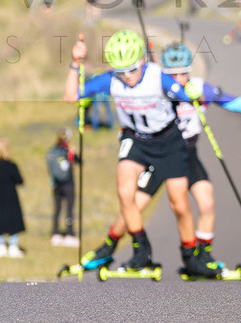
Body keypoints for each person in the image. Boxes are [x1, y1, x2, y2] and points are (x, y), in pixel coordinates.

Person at [80, 42, 241, 271]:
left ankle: (202, 255)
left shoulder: (197, 88)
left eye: (184, 72)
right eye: (173, 73)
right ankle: (108, 247)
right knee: (134, 204)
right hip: (156, 152)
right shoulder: (158, 87)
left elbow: (227, 99)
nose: (180, 78)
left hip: (185, 154)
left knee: (206, 201)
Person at [63, 30, 219, 277]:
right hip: (135, 139)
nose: (127, 77)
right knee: (125, 191)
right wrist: (75, 63)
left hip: (168, 140)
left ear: (143, 62)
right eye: (121, 71)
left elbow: (189, 94)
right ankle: (141, 250)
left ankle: (191, 257)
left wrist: (196, 94)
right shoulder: (111, 80)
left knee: (179, 203)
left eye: (132, 70)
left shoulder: (157, 77)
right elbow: (71, 96)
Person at [0, 138, 26, 258]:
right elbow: (19, 180)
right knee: (12, 219)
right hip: (10, 196)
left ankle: (0, 245)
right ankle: (12, 246)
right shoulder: (11, 165)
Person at [46, 129, 81, 246]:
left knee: (57, 209)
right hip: (68, 183)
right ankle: (69, 233)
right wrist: (74, 152)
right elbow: (79, 161)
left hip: (56, 184)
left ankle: (55, 232)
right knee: (69, 209)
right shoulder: (68, 151)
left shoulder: (53, 151)